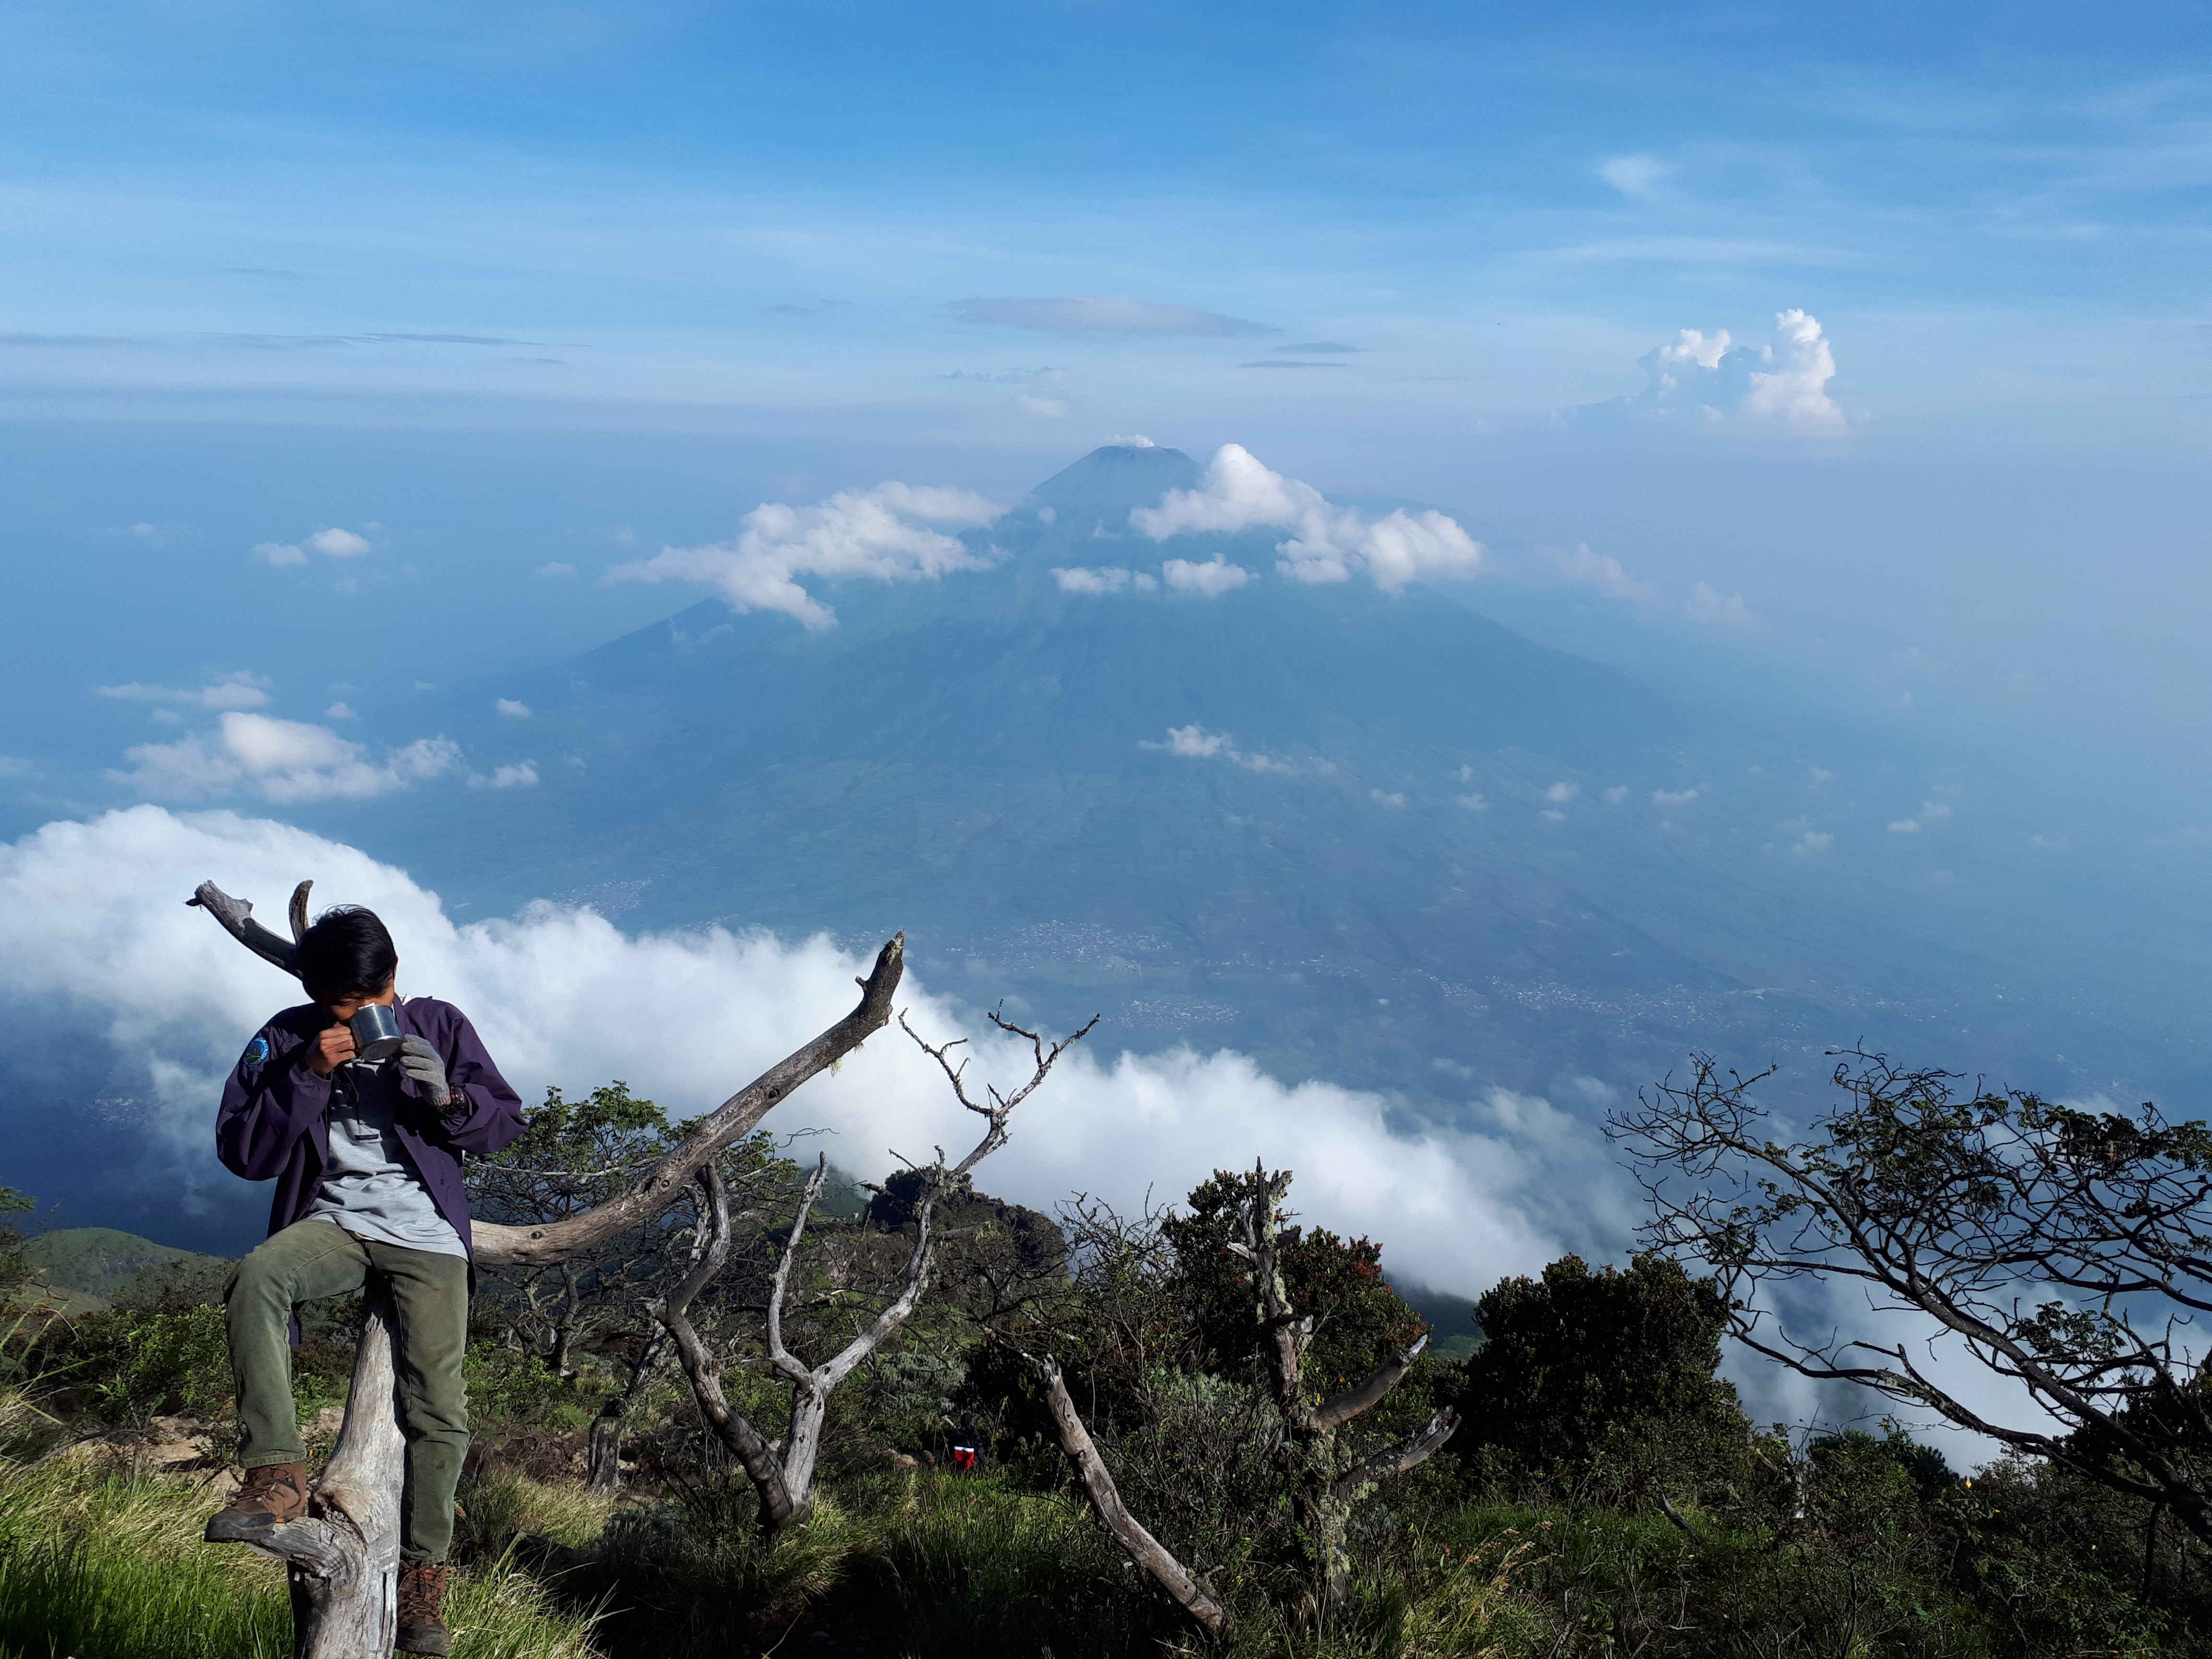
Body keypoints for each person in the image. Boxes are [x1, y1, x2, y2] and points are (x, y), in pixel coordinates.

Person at [204, 905, 525, 1658]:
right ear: (316, 994)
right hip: (335, 1222)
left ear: (394, 976)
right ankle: (275, 1474)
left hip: (428, 1235)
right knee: (256, 1279)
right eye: (344, 1009)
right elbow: (243, 1152)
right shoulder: (287, 1036)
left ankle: (422, 1580)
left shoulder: (439, 1025)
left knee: (438, 1407)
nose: (361, 1019)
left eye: (371, 1004)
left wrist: (451, 1099)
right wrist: (309, 1075)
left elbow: (504, 1122)